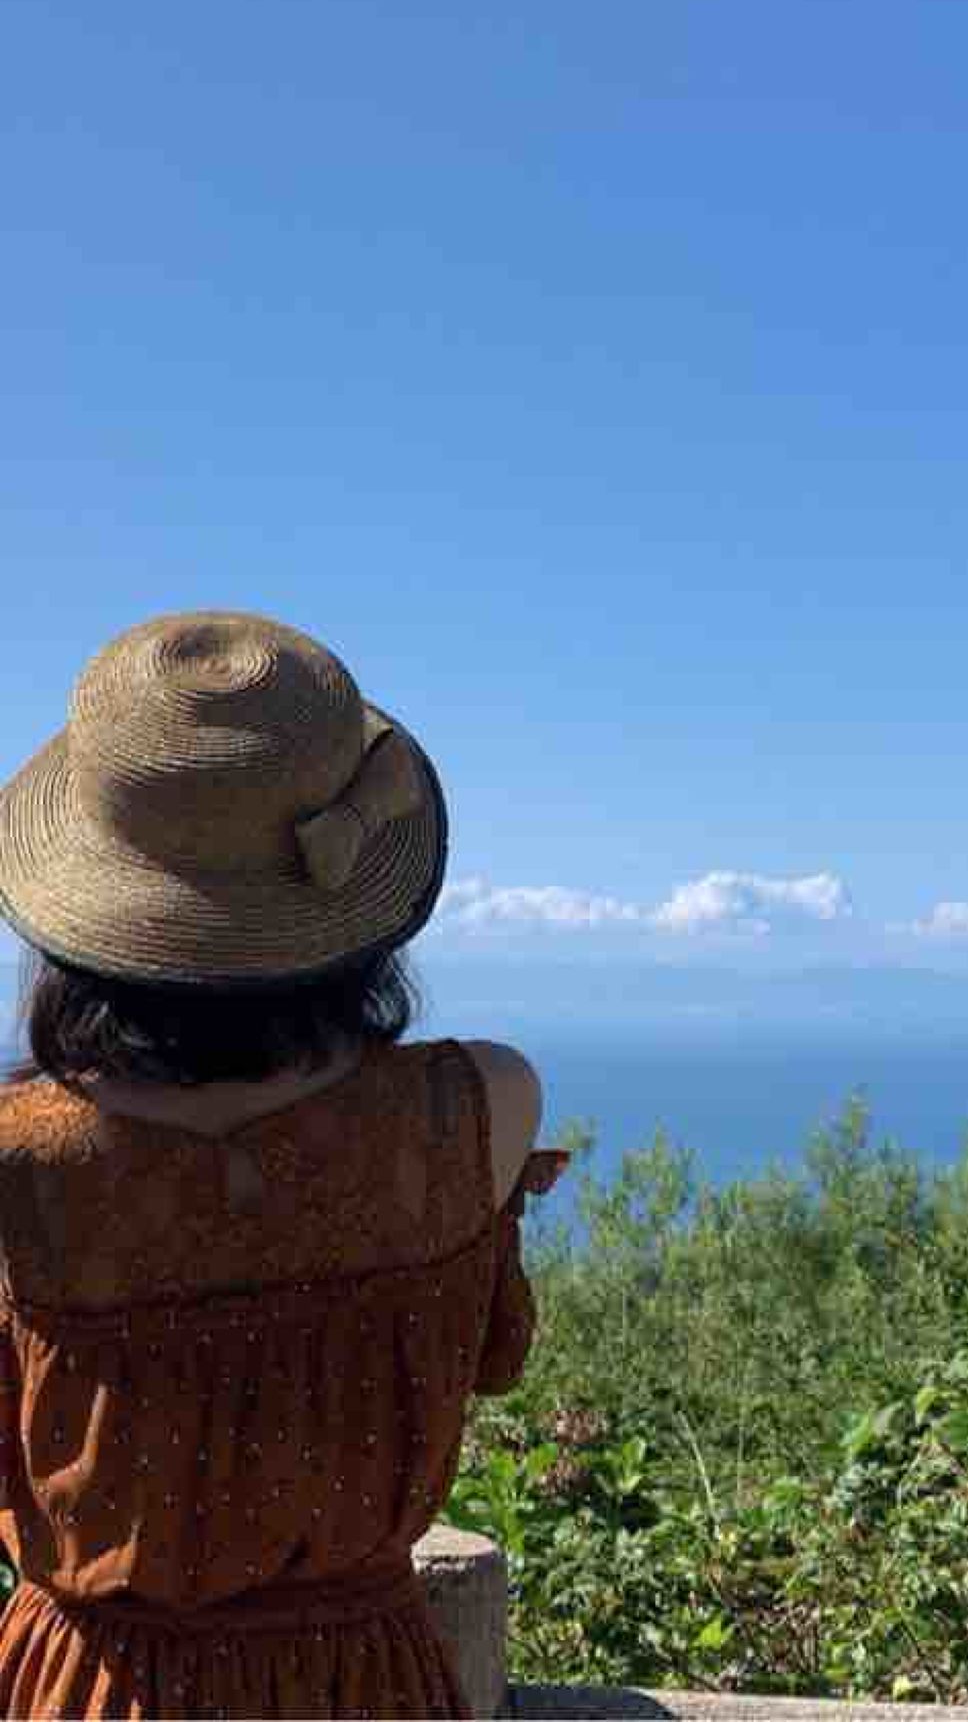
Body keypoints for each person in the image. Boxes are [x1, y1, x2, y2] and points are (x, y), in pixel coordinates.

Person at [0, 609, 565, 1719]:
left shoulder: (20, 1163)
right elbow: (488, 1360)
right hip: (362, 1688)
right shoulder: (481, 1105)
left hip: (95, 1692)